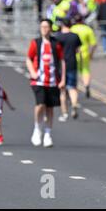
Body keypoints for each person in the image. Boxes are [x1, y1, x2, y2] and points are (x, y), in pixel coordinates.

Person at [26, 19, 66, 148]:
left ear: (50, 28)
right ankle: (37, 129)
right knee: (40, 104)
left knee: (50, 107)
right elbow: (29, 58)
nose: (44, 29)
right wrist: (32, 72)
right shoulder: (35, 43)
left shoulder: (56, 44)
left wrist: (63, 79)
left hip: (53, 81)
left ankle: (48, 134)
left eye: (46, 26)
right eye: (42, 26)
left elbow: (62, 61)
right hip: (38, 80)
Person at [56, 18, 82, 122]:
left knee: (62, 90)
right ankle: (74, 104)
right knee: (72, 87)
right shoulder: (75, 36)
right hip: (72, 63)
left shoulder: (58, 37)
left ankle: (64, 113)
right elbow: (78, 50)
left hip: (61, 65)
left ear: (62, 25)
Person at [70, 14, 97, 98]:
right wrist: (91, 54)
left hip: (74, 53)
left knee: (74, 70)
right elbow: (93, 44)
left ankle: (75, 87)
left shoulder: (72, 29)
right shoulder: (88, 29)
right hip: (85, 53)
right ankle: (86, 85)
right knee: (85, 70)